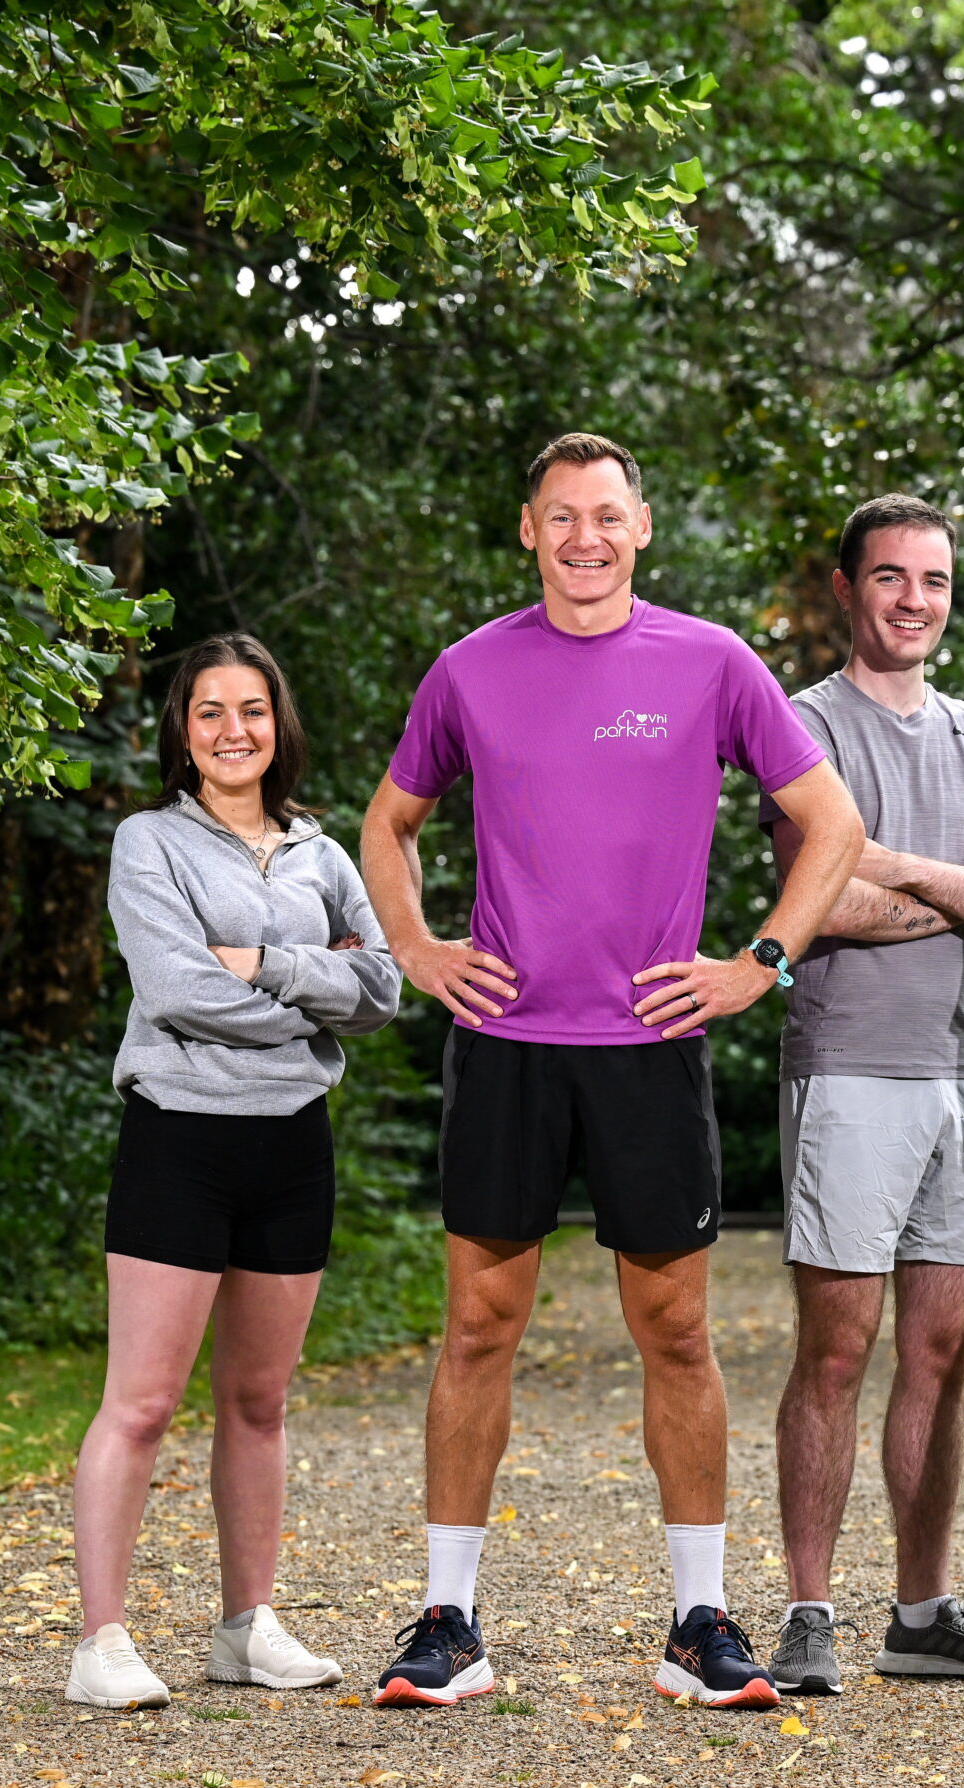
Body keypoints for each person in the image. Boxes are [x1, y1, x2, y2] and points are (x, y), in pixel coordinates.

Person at [359, 432, 865, 1710]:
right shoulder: (470, 670)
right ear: (528, 530)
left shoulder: (709, 662)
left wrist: (756, 960)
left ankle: (698, 1620)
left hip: (650, 1047)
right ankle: (447, 1621)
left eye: (606, 515)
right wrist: (416, 946)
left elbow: (834, 824)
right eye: (560, 516)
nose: (585, 536)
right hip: (507, 1044)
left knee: (678, 1329)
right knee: (478, 1324)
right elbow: (389, 822)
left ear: (640, 527)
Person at [65, 634, 401, 1710]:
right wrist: (314, 996)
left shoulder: (322, 852)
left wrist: (265, 965)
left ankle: (244, 1625)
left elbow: (386, 984)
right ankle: (101, 1640)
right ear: (182, 728)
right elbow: (173, 988)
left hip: (291, 1146)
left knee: (259, 1400)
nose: (231, 730)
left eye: (250, 709)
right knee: (144, 1400)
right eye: (208, 711)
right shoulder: (149, 842)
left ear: (278, 724)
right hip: (181, 1137)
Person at [758, 495, 964, 1697]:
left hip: (963, 1072)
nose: (913, 600)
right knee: (836, 1349)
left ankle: (921, 1613)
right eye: (890, 578)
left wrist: (890, 865)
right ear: (846, 588)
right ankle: (809, 1609)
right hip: (846, 1071)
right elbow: (816, 905)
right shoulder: (798, 727)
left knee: (942, 1348)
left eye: (932, 580)